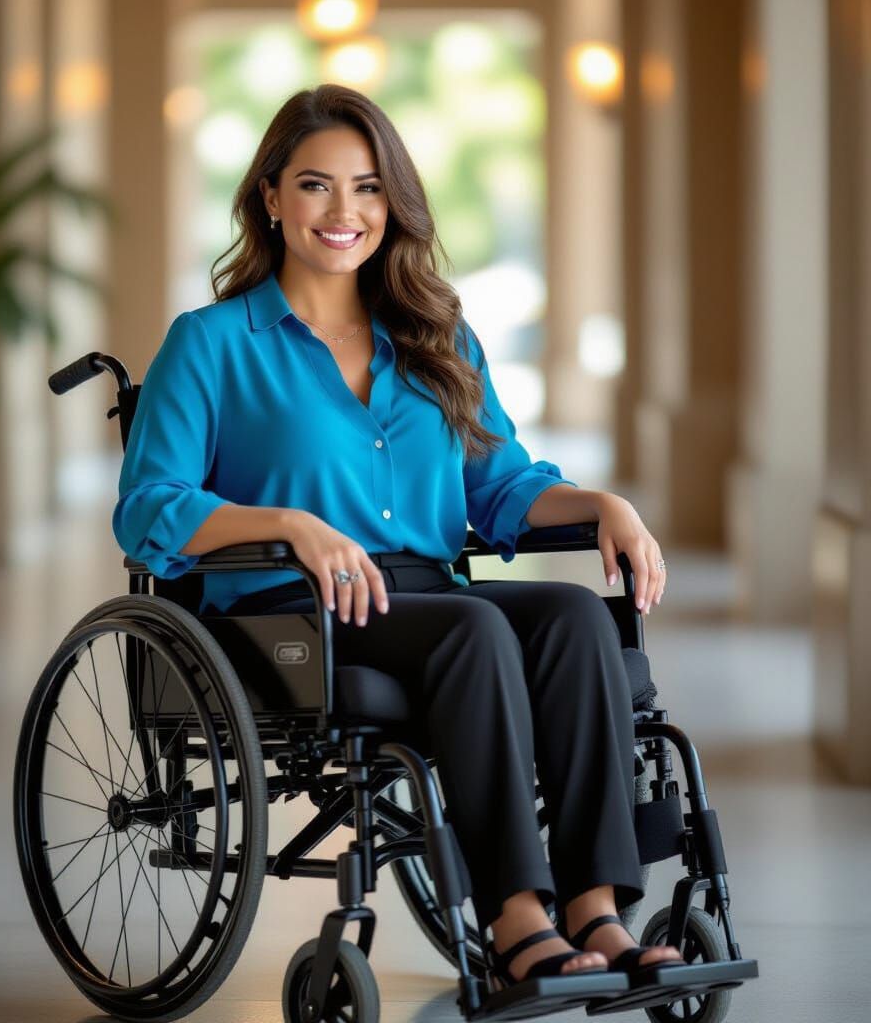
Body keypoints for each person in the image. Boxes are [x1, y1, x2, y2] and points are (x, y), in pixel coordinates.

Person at [114, 84, 682, 997]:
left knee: (575, 615)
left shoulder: (435, 334)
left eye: (369, 188)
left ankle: (598, 907)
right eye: (316, 185)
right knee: (475, 631)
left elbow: (499, 488)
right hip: (289, 605)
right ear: (269, 196)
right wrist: (290, 526)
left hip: (424, 584)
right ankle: (514, 916)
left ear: (395, 202)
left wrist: (599, 502)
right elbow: (148, 507)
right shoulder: (212, 344)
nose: (346, 213)